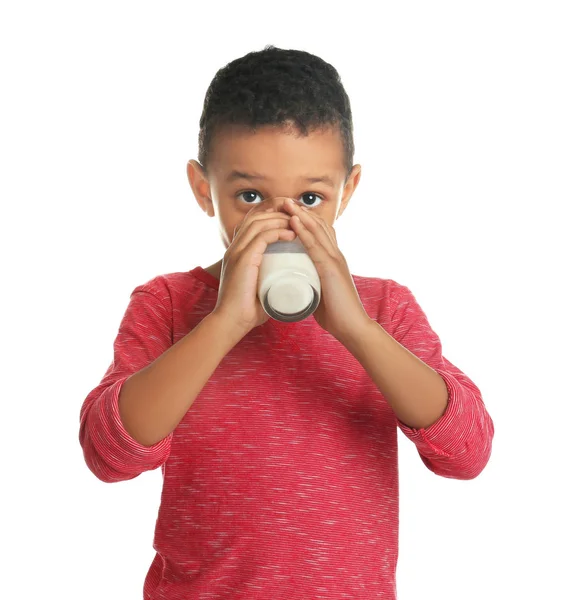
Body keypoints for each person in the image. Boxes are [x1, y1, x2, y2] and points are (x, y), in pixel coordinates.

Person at [79, 45, 494, 599]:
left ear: (347, 191)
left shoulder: (384, 309)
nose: (281, 221)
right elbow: (110, 455)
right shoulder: (169, 305)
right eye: (250, 196)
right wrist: (225, 322)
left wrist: (358, 332)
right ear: (204, 190)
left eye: (310, 197)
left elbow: (466, 452)